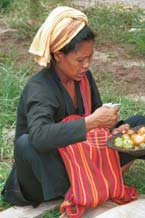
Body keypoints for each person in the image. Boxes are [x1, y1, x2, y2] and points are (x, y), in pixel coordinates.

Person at [2, 5, 145, 213]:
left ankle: (90, 182)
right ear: (58, 55)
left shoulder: (83, 78)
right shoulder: (39, 88)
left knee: (139, 123)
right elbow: (41, 137)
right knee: (27, 143)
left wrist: (115, 128)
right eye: (80, 60)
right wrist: (92, 122)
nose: (86, 65)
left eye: (90, 57)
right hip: (47, 172)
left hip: (83, 154)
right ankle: (77, 188)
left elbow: (96, 116)